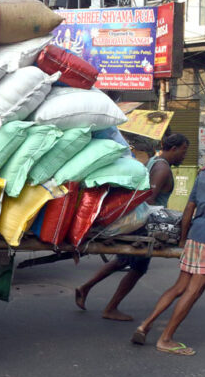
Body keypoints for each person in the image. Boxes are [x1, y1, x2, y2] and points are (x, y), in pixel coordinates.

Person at [131, 133, 205, 355]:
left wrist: (184, 239)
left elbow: (189, 209)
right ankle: (165, 338)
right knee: (193, 291)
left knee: (179, 287)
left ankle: (144, 325)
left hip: (196, 235)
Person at [74, 134, 190, 321]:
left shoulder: (154, 161)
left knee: (122, 260)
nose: (184, 156)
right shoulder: (162, 169)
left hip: (139, 221)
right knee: (138, 268)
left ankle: (85, 288)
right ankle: (110, 308)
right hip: (144, 223)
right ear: (174, 148)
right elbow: (149, 198)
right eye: (184, 151)